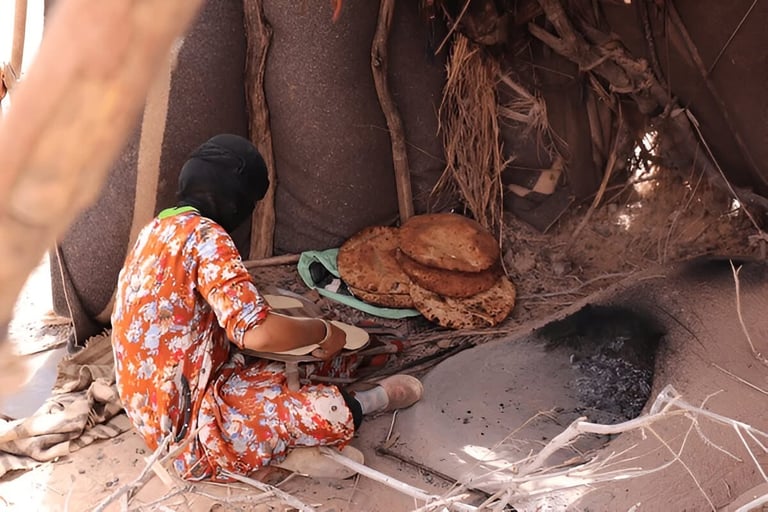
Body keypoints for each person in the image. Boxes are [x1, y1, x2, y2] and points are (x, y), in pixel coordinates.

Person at [110, 134, 423, 482]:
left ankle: (287, 453)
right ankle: (367, 403)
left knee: (293, 366)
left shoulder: (153, 231)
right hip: (190, 432)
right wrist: (323, 331)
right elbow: (256, 333)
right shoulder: (206, 236)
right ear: (235, 197)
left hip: (154, 415)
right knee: (322, 406)